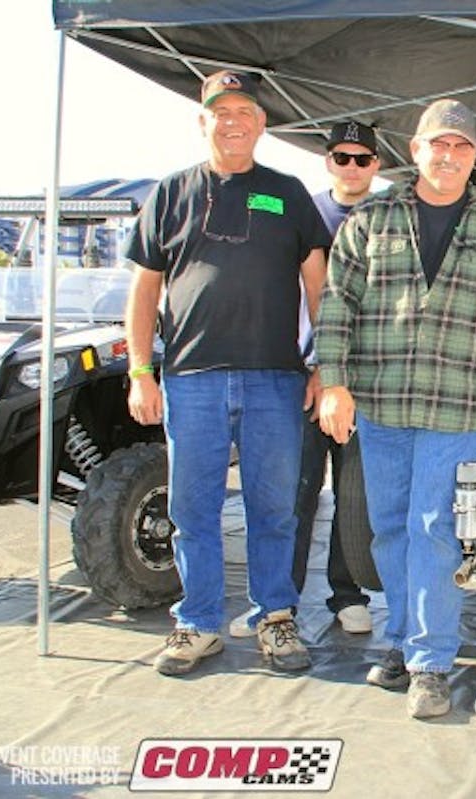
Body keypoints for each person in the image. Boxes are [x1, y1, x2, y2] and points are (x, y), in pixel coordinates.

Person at [315, 98, 476, 719]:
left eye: (462, 147)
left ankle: (432, 662)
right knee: (388, 528)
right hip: (383, 404)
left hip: (461, 407)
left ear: (475, 156)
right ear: (415, 151)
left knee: (433, 530)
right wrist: (332, 382)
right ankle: (402, 639)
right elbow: (336, 305)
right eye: (437, 145)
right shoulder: (371, 217)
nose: (449, 157)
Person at [124, 70, 331, 676]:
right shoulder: (170, 193)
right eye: (221, 111)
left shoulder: (288, 193)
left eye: (245, 110)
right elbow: (143, 292)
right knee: (193, 510)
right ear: (203, 121)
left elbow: (320, 288)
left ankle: (274, 618)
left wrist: (324, 365)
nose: (233, 120)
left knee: (275, 509)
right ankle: (198, 624)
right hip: (191, 379)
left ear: (262, 124)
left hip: (275, 380)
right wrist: (141, 371)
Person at [228, 120, 381, 639]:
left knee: (354, 495)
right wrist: (316, 366)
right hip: (304, 377)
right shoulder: (299, 209)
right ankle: (275, 601)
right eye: (343, 156)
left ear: (378, 165)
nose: (352, 166)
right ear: (327, 160)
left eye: (363, 158)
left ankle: (347, 593)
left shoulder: (392, 218)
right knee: (291, 492)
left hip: (369, 380)